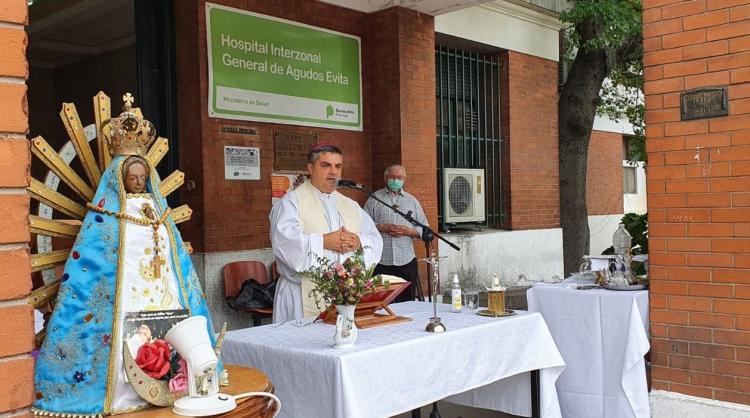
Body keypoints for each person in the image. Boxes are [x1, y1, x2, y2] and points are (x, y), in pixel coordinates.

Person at [34, 98, 218, 416]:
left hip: (160, 291)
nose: (138, 183)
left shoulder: (156, 209)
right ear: (118, 178)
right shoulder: (105, 217)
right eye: (131, 179)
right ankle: (115, 386)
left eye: (142, 178)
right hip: (123, 293)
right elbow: (94, 261)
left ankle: (179, 376)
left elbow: (174, 256)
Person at [270, 144, 383, 322]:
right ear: (310, 168)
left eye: (338, 166)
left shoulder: (350, 204)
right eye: (326, 165)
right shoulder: (291, 202)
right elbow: (284, 242)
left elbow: (374, 238)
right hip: (301, 295)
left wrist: (357, 241)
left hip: (342, 294)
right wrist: (324, 241)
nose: (333, 172)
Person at [364, 165, 428, 303]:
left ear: (404, 180)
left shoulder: (412, 201)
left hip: (406, 259)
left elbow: (425, 228)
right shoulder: (374, 198)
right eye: (393, 177)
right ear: (386, 178)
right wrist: (383, 227)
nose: (396, 180)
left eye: (400, 178)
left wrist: (408, 231)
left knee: (407, 303)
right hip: (381, 260)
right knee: (380, 302)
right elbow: (362, 227)